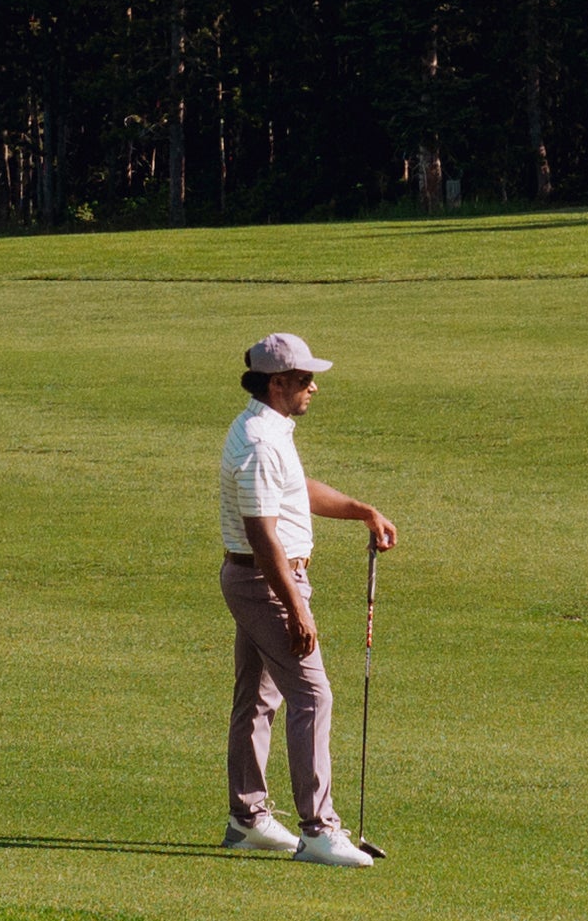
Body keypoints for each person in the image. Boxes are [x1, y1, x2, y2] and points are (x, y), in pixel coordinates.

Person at [219, 331, 395, 867]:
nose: (313, 387)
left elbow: (296, 488)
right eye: (303, 379)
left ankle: (247, 821)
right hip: (266, 582)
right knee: (313, 696)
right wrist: (295, 606)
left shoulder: (271, 431)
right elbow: (262, 534)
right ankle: (319, 829)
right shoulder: (257, 441)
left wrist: (362, 509)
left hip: (257, 580)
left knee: (258, 698)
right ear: (278, 383)